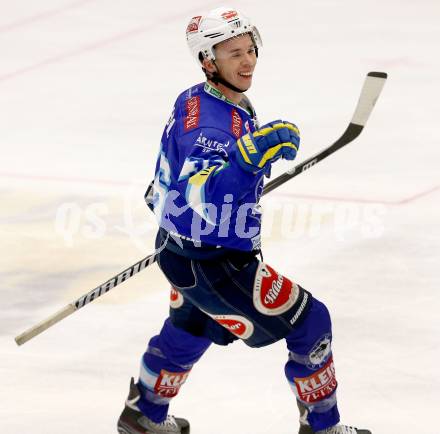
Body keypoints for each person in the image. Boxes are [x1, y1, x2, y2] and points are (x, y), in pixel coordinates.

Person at [117, 7, 371, 434]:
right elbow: (202, 193)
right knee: (312, 322)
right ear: (207, 59)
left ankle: (144, 414)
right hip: (218, 263)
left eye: (250, 49)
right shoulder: (211, 129)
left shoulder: (199, 99)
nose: (247, 60)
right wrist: (245, 162)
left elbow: (176, 185)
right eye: (233, 52)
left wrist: (249, 160)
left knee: (191, 326)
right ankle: (322, 428)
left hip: (180, 251)